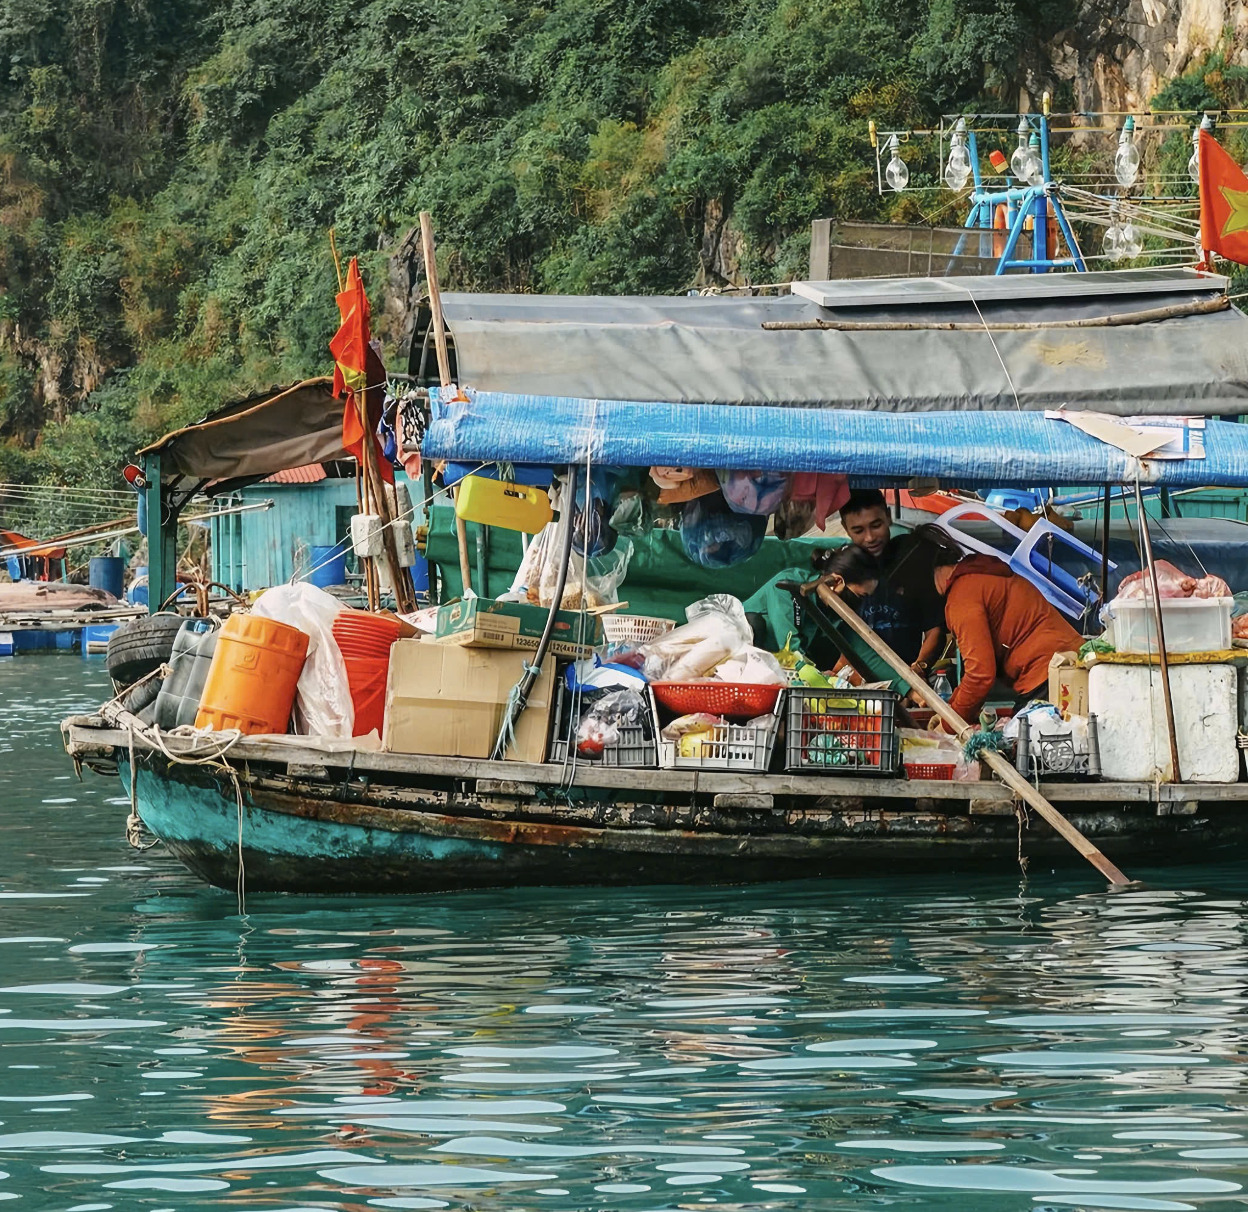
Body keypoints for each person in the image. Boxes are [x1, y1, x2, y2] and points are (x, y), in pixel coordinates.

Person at [922, 527, 1082, 726]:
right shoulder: (978, 574)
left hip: (1047, 675)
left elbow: (979, 674)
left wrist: (949, 725)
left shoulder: (962, 597)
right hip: (1064, 664)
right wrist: (951, 710)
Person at [838, 489, 945, 674]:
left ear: (888, 516)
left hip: (910, 678)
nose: (870, 537)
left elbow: (934, 630)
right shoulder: (841, 571)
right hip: (859, 680)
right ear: (845, 528)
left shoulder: (912, 560)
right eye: (858, 530)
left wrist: (919, 667)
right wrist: (838, 672)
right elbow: (846, 637)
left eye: (876, 525)